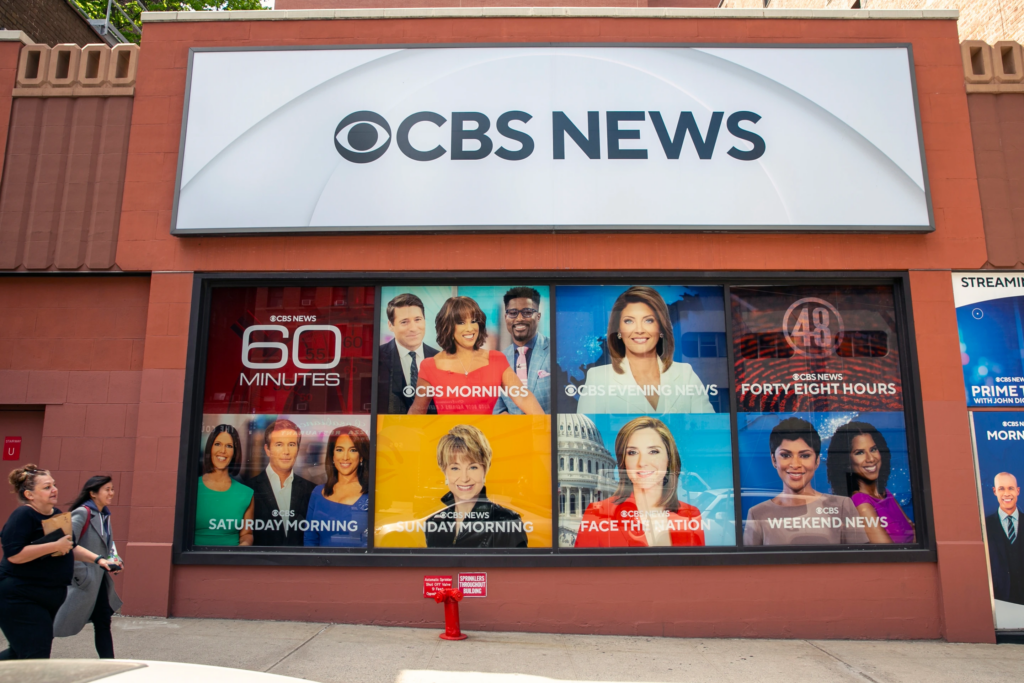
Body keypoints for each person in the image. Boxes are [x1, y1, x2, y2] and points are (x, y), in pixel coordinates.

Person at [0, 465, 117, 660]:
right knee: (35, 655)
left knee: (21, 652)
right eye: (46, 487)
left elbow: (68, 546)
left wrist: (98, 559)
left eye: (54, 485)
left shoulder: (56, 514)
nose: (54, 489)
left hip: (49, 596)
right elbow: (15, 554)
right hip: (20, 595)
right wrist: (54, 545)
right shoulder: (23, 515)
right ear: (29, 494)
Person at [576, 286, 714, 415]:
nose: (639, 330)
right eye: (629, 321)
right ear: (618, 330)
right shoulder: (599, 378)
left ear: (660, 327)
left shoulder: (685, 374)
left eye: (648, 320)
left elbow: (709, 428)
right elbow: (585, 434)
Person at [574, 417, 705, 547]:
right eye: (632, 452)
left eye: (653, 451)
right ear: (623, 462)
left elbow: (697, 566)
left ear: (669, 459)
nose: (642, 462)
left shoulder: (690, 515)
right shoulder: (598, 513)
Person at [409, 296, 544, 415]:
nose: (470, 328)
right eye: (461, 322)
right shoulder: (430, 366)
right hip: (448, 441)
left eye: (474, 321)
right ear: (448, 326)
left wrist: (545, 426)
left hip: (486, 440)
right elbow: (417, 410)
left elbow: (523, 397)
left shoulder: (496, 360)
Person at [744, 418, 869, 546]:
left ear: (817, 461)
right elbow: (749, 564)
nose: (795, 464)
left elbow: (860, 561)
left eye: (804, 456)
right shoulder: (757, 513)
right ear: (774, 460)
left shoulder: (842, 506)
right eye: (786, 455)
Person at [53, 476, 124, 658]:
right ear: (92, 493)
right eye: (107, 489)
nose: (111, 493)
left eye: (112, 489)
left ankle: (109, 664)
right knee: (54, 623)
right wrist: (81, 575)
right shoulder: (82, 513)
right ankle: (24, 654)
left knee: (103, 621)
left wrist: (115, 559)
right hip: (83, 580)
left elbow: (106, 544)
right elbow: (66, 545)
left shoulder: (104, 515)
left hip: (99, 579)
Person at [424, 425, 528, 548]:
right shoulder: (433, 523)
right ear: (445, 472)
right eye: (455, 468)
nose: (464, 478)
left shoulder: (507, 521)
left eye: (473, 467)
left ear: (485, 471)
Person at [826, 421, 915, 544]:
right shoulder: (861, 503)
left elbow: (913, 529)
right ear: (846, 461)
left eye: (873, 449)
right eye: (860, 453)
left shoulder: (883, 493)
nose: (871, 458)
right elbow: (887, 553)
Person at [244, 419, 316, 546]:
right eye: (279, 444)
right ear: (267, 449)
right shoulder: (248, 489)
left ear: (298, 449)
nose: (286, 451)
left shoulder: (311, 491)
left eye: (292, 444)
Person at [304, 426, 370, 548]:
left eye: (353, 450)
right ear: (332, 455)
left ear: (361, 456)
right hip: (322, 565)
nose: (345, 457)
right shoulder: (318, 493)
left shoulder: (372, 495)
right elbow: (310, 538)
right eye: (339, 450)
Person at [378, 293, 439, 414]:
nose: (413, 328)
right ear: (391, 325)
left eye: (417, 320)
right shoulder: (377, 356)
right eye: (404, 322)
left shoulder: (440, 358)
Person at [494, 286, 551, 415]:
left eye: (527, 312)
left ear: (538, 316)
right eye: (513, 313)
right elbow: (497, 408)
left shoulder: (556, 352)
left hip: (548, 432)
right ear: (505, 317)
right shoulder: (499, 360)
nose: (519, 319)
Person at [194, 424, 255, 546]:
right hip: (194, 562)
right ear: (210, 448)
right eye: (217, 444)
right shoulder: (192, 488)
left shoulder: (246, 494)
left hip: (231, 561)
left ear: (235, 452)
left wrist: (243, 546)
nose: (222, 451)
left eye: (229, 446)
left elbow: (246, 534)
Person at [985, 472, 1024, 605]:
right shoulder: (985, 526)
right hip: (1000, 600)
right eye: (1001, 489)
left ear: (1017, 491)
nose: (1007, 493)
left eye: (1010, 488)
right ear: (995, 491)